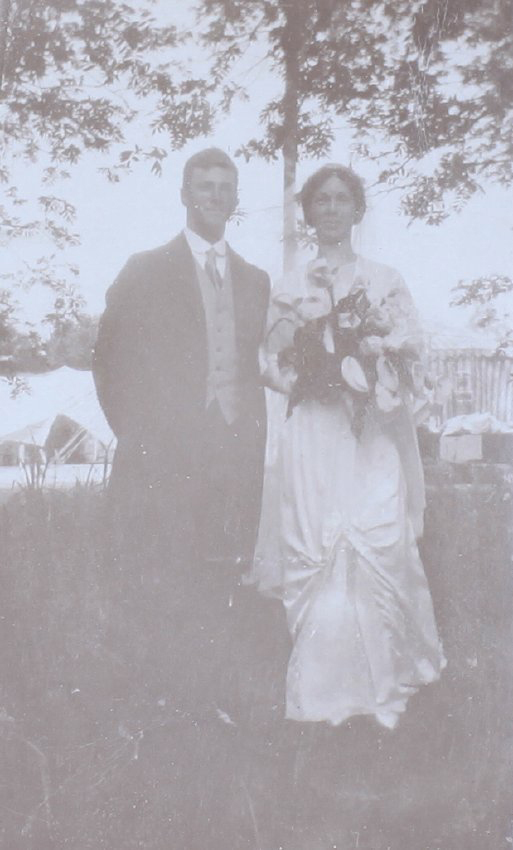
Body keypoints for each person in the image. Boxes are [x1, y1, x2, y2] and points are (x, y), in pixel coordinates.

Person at [92, 148, 289, 847]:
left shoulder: (257, 280)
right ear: (182, 194)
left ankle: (206, 700)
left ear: (234, 200)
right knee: (158, 577)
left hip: (231, 459)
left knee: (218, 578)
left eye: (224, 188)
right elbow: (109, 362)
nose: (213, 196)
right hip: (164, 461)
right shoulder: (143, 271)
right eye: (203, 186)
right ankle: (157, 703)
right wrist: (143, 440)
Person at [251, 164, 446, 731]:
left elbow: (411, 363)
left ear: (358, 210)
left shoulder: (385, 280)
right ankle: (323, 692)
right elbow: (268, 363)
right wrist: (312, 379)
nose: (331, 209)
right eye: (321, 201)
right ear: (307, 213)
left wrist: (378, 367)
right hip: (314, 430)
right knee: (317, 541)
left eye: (342, 199)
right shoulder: (288, 286)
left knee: (378, 538)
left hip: (370, 435)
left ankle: (392, 677)